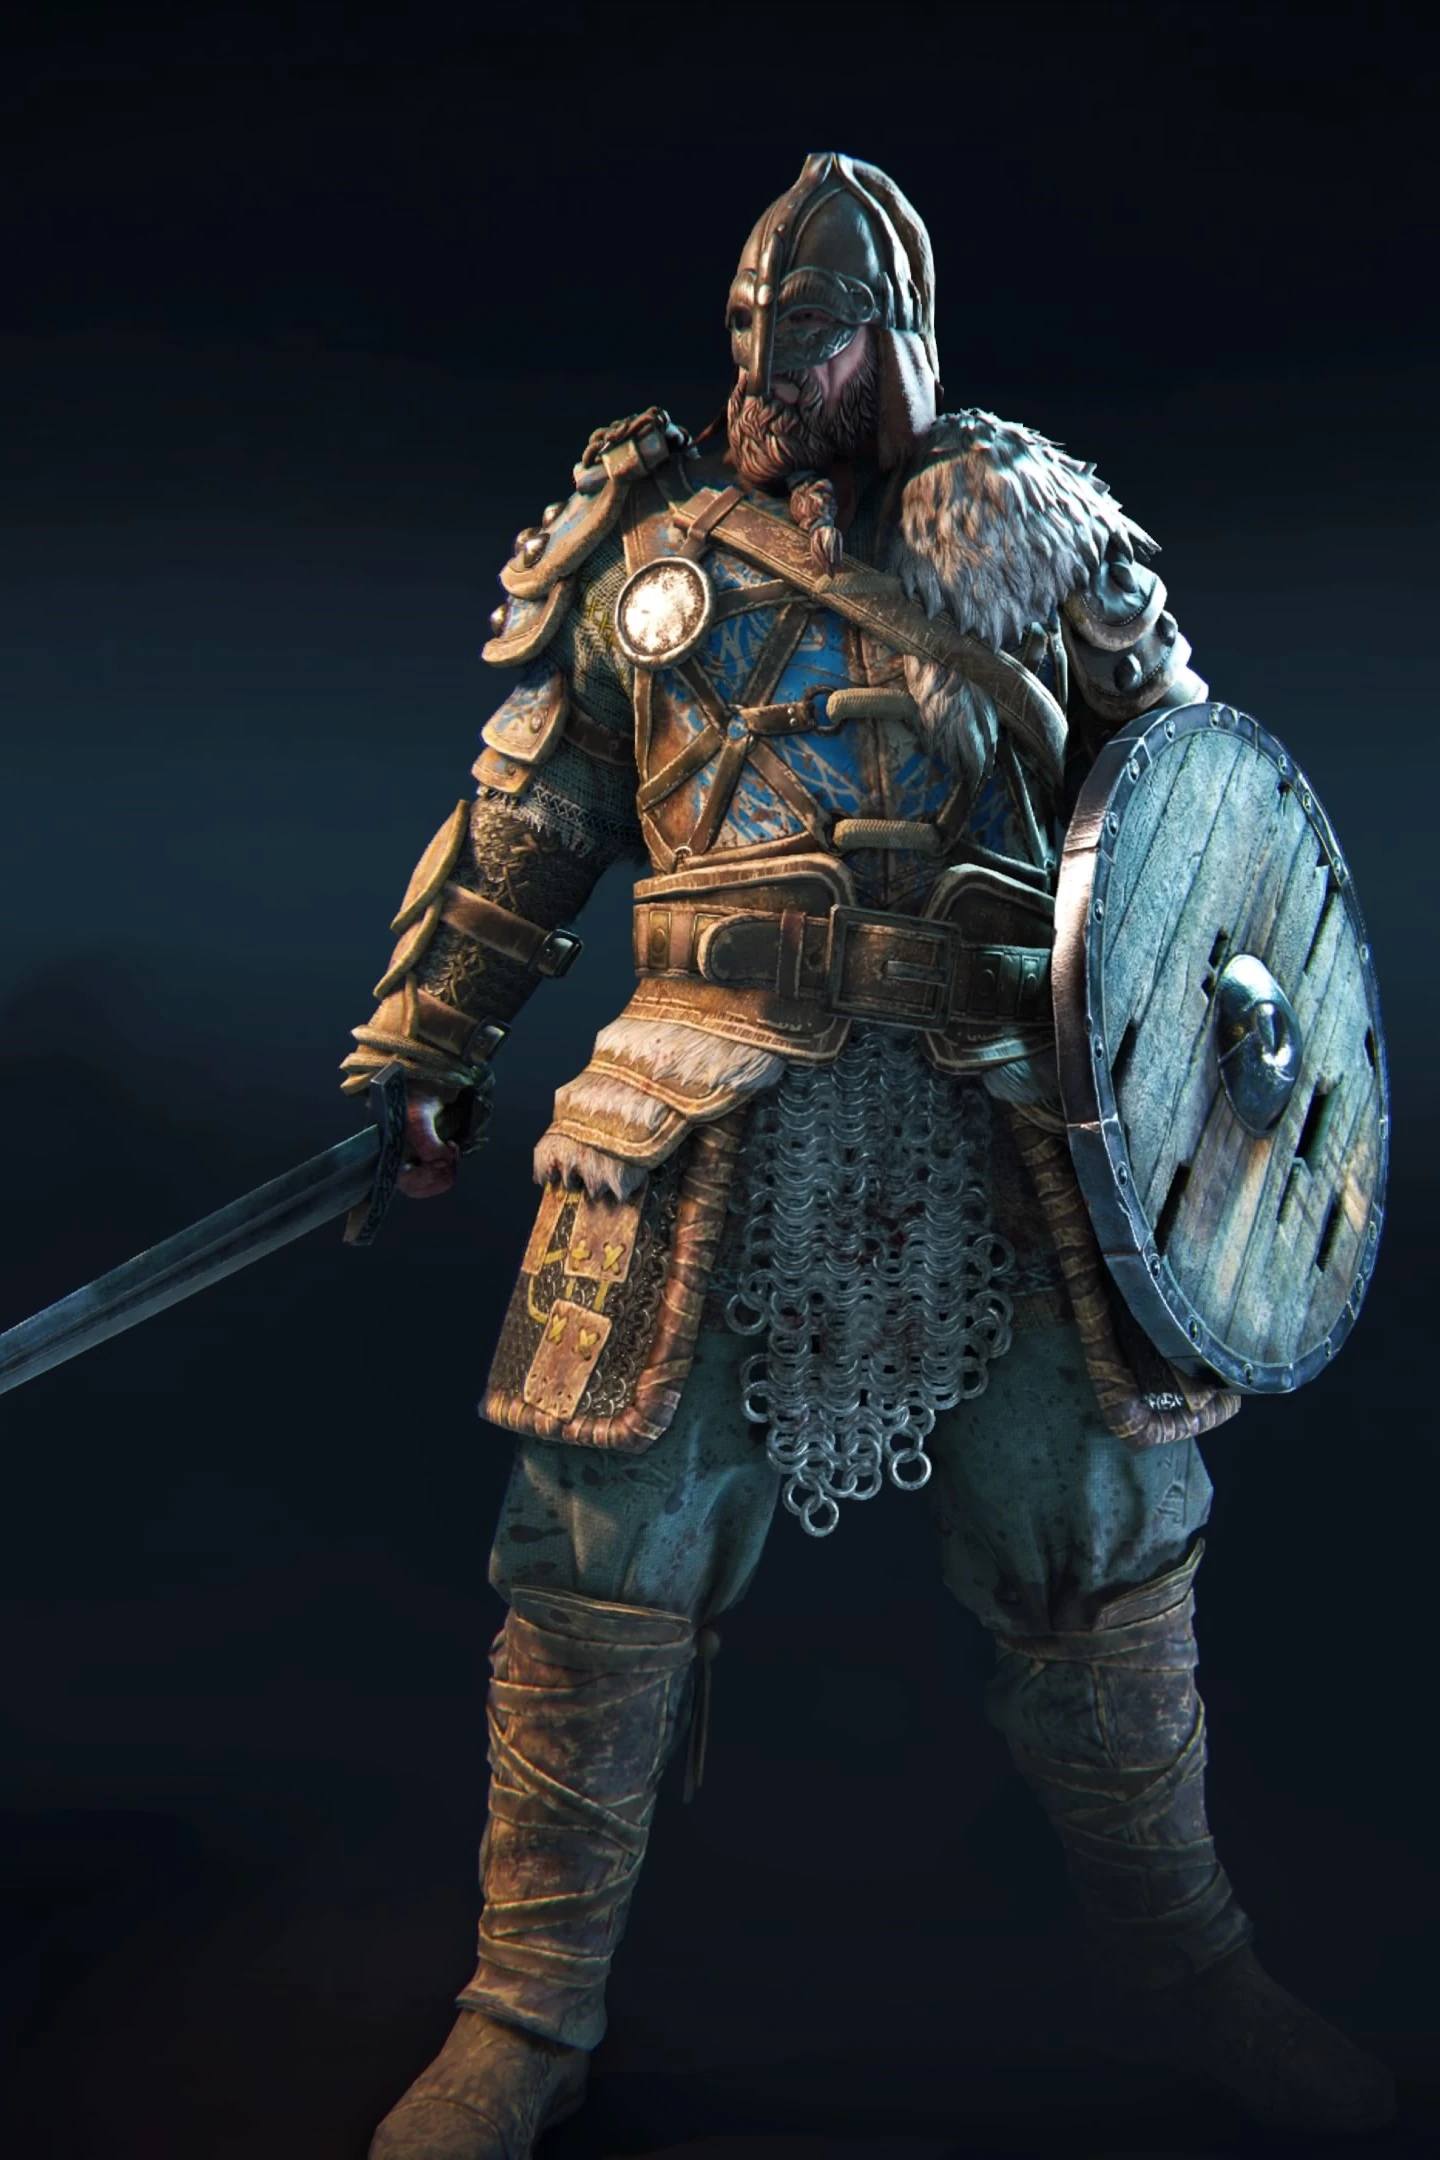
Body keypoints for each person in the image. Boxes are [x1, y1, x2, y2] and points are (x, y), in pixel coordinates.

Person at [341, 153, 1395, 2158]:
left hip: (1004, 1105)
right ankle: (524, 2021)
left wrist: (1232, 1072)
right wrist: (429, 1044)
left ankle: (1193, 1967)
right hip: (698, 1102)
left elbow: (1203, 839)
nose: (764, 364)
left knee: (1104, 1531)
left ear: (892, 342)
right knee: (599, 1540)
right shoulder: (646, 557)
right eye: (749, 325)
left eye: (805, 330)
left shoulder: (1045, 546)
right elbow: (533, 817)